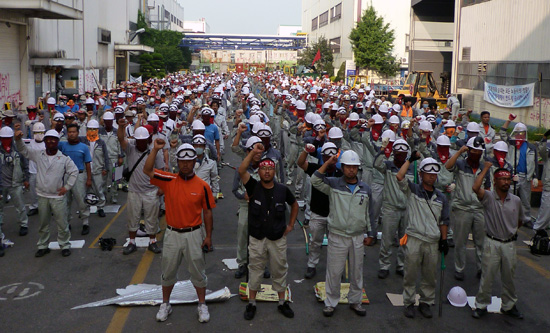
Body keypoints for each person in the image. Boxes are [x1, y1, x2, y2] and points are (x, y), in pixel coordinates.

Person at [144, 141, 216, 323]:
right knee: (167, 271)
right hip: (172, 234)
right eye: (182, 161)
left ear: (194, 162)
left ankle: (201, 304)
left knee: (198, 271)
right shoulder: (168, 181)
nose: (185, 164)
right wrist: (155, 149)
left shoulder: (203, 186)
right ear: (178, 162)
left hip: (194, 234)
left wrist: (208, 236)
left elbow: (208, 212)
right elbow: (148, 170)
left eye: (189, 161)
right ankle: (165, 303)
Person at [311, 150, 375, 318]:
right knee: (334, 270)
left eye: (354, 167)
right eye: (348, 167)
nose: (351, 170)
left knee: (357, 271)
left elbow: (369, 213)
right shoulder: (333, 184)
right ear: (342, 167)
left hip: (357, 236)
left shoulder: (365, 189)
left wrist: (371, 233)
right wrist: (328, 163)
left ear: (358, 169)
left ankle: (355, 301)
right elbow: (315, 180)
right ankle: (330, 303)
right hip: (337, 235)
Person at [238, 144, 298, 321]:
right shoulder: (253, 187)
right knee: (255, 270)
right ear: (259, 171)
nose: (266, 172)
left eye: (269, 169)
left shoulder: (282, 190)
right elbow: (242, 171)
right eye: (263, 168)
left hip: (277, 238)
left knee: (279, 269)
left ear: (274, 172)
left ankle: (282, 302)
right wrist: (254, 153)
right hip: (257, 238)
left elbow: (294, 204)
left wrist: (291, 224)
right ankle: (252, 303)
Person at [397, 155, 450, 319]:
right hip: (414, 238)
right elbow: (399, 177)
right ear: (420, 174)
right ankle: (409, 303)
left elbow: (444, 220)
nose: (431, 177)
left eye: (434, 174)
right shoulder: (413, 190)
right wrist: (409, 160)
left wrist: (444, 239)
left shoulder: (441, 197)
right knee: (410, 274)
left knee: (430, 276)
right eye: (428, 174)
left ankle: (426, 302)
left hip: (432, 242)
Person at [472, 162, 526, 320]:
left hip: (509, 244)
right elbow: (475, 188)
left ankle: (509, 305)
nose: (506, 182)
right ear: (495, 182)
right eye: (502, 179)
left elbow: (520, 220)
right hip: (492, 242)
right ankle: (481, 305)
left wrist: (510, 230)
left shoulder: (515, 200)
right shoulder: (488, 197)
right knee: (487, 276)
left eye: (508, 179)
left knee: (509, 277)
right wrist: (487, 169)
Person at [15, 129, 78, 257]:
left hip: (57, 197)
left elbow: (74, 171)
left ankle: (65, 245)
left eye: (53, 139)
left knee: (62, 223)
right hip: (42, 195)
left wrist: (66, 187)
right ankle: (43, 245)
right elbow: (24, 151)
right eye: (48, 139)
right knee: (43, 224)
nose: (50, 141)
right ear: (44, 141)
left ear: (57, 142)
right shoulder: (39, 155)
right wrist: (18, 140)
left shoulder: (64, 158)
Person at [118, 119, 164, 255]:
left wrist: (162, 187)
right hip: (134, 190)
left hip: (151, 190)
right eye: (138, 140)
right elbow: (121, 139)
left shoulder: (155, 151)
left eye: (143, 140)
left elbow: (161, 170)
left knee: (152, 218)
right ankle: (132, 242)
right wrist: (121, 127)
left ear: (149, 139)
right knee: (133, 217)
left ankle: (152, 241)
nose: (141, 142)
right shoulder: (131, 149)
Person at [446, 138, 490, 281]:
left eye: (479, 151)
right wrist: (459, 151)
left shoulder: (484, 168)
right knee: (460, 241)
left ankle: (481, 268)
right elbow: (448, 166)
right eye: (474, 150)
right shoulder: (460, 164)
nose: (477, 153)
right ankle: (459, 268)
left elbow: (488, 188)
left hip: (479, 208)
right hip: (462, 208)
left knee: (481, 242)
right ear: (469, 151)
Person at [297, 142, 343, 279]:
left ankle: (335, 269)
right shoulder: (315, 169)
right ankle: (312, 265)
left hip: (335, 214)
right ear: (322, 157)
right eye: (327, 157)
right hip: (317, 212)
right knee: (315, 242)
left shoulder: (341, 173)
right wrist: (306, 150)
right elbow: (300, 163)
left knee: (335, 244)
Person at [58, 123, 92, 235]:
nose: (72, 134)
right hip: (66, 176)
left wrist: (89, 179)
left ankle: (85, 222)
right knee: (66, 201)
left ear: (78, 133)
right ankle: (67, 223)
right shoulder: (62, 145)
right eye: (70, 132)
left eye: (74, 132)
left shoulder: (83, 147)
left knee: (81, 200)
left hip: (79, 175)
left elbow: (87, 163)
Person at [0, 127, 30, 245]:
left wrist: (26, 179)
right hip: (1, 185)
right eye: (3, 139)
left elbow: (25, 164)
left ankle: (23, 224)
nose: (6, 141)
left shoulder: (17, 150)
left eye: (8, 139)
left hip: (16, 183)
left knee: (20, 205)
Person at [26, 122, 46, 217]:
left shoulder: (47, 143)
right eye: (36, 132)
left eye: (41, 132)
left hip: (45, 171)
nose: (39, 135)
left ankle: (46, 208)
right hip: (33, 171)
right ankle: (34, 207)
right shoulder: (29, 143)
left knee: (46, 190)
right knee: (33, 191)